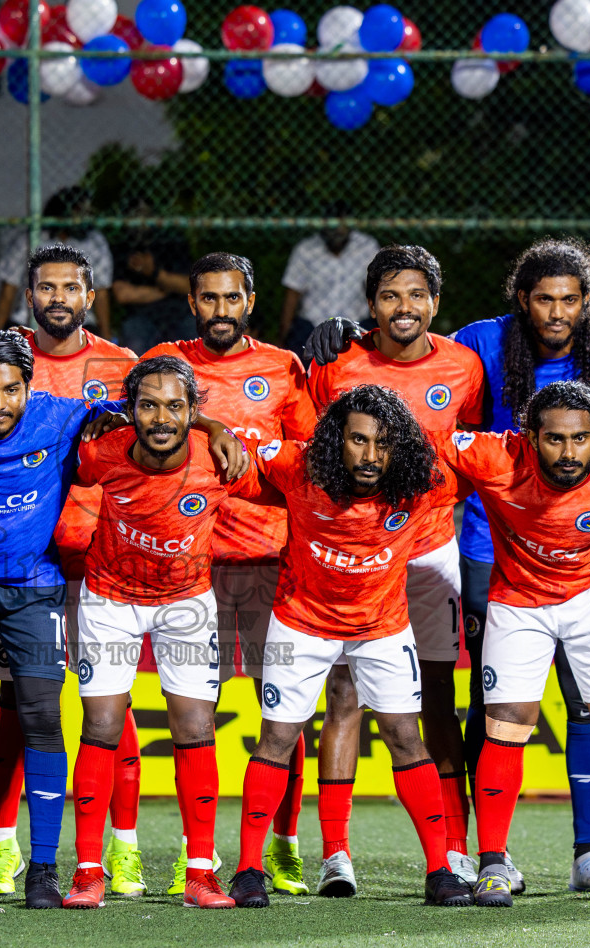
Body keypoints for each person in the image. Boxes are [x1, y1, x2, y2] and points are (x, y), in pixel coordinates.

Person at [0, 331, 243, 910]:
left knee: (40, 715)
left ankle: (42, 870)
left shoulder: (62, 416)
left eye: (11, 390)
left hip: (33, 586)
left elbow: (153, 414)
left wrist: (215, 429)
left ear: (29, 388)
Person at [309, 236, 590, 898]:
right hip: (482, 549)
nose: (556, 312)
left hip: (568, 557)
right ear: (523, 299)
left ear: (586, 303)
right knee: (484, 703)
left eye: (569, 300)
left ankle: (588, 852)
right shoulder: (478, 345)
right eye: (543, 299)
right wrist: (349, 331)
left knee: (584, 701)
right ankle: (474, 852)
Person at [434, 380, 590, 909]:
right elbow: (426, 437)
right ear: (530, 436)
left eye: (580, 439)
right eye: (554, 439)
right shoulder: (494, 454)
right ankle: (494, 866)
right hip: (517, 601)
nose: (568, 453)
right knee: (507, 724)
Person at [227, 385, 474, 911]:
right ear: (336, 441)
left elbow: (501, 463)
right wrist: (205, 427)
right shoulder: (298, 467)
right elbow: (235, 449)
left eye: (383, 443)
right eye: (358, 441)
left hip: (383, 627)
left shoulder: (425, 481)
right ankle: (248, 869)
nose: (369, 455)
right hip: (301, 623)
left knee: (407, 737)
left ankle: (440, 869)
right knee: (277, 736)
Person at [305, 244, 485, 894]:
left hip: (431, 551)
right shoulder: (339, 364)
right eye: (389, 296)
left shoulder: (465, 366)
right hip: (353, 554)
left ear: (435, 302)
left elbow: (481, 452)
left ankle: (455, 850)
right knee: (345, 695)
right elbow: (310, 448)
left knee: (436, 700)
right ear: (370, 304)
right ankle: (336, 854)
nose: (403, 308)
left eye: (415, 295)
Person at [143, 252, 319, 896]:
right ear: (192, 303)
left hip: (276, 562)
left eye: (232, 298)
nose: (221, 310)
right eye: (208, 299)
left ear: (251, 301)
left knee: (287, 711)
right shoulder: (166, 362)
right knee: (196, 713)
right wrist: (210, 421)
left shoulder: (280, 366)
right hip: (193, 567)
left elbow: (305, 454)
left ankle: (285, 844)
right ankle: (200, 855)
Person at [63, 357, 261, 911]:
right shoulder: (103, 453)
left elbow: (282, 484)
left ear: (193, 411)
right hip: (109, 597)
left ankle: (201, 872)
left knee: (196, 723)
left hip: (186, 601)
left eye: (175, 406)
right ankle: (87, 871)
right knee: (101, 721)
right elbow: (71, 468)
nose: (161, 417)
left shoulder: (219, 460)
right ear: (131, 410)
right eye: (148, 404)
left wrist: (220, 431)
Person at [0, 244, 139, 897]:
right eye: (45, 287)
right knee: (17, 700)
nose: (57, 298)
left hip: (105, 558)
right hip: (28, 560)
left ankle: (122, 849)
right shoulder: (2, 358)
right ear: (29, 294)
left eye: (70, 287)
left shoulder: (122, 367)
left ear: (90, 295)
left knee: (112, 702)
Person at [0, 187, 113, 337]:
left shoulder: (94, 242)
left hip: (80, 322)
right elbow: (8, 289)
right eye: (79, 210)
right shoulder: (29, 240)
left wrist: (107, 336)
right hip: (28, 319)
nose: (84, 216)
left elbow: (101, 293)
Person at [278, 204, 380, 360]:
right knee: (301, 364)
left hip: (357, 324)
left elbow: (376, 290)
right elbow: (292, 294)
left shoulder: (366, 246)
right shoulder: (306, 249)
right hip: (312, 325)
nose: (337, 232)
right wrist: (283, 336)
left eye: (341, 228)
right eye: (332, 228)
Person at [109, 197, 193, 355]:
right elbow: (123, 294)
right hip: (142, 317)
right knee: (135, 340)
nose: (141, 221)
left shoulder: (172, 242)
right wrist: (167, 288)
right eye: (135, 215)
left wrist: (153, 273)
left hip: (179, 313)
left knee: (195, 340)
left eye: (145, 214)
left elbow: (190, 286)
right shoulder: (122, 247)